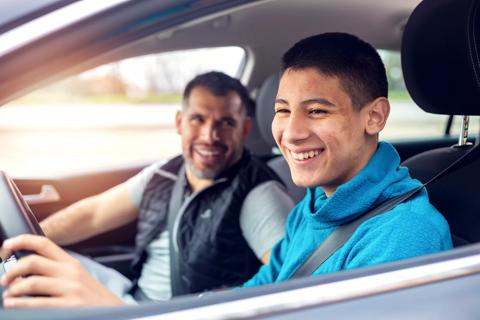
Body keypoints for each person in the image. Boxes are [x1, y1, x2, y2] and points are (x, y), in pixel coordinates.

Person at [0, 71, 294, 307]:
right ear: (180, 123)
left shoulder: (258, 194)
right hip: (130, 296)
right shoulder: (166, 172)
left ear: (243, 130)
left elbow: (291, 278)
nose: (209, 135)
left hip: (168, 313)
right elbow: (93, 214)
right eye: (198, 119)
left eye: (225, 123)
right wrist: (19, 244)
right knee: (28, 271)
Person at [243, 32, 452, 287]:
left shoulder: (404, 235)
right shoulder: (313, 205)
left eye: (317, 111)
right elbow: (263, 287)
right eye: (283, 110)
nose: (292, 133)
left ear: (374, 116)